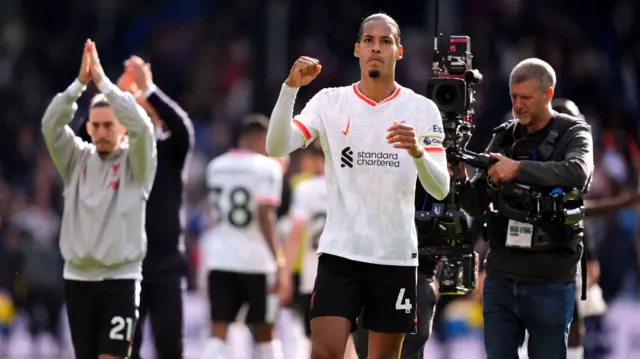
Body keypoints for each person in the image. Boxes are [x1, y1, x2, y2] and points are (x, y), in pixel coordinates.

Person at [266, 12, 450, 359]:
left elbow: (440, 188)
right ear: (356, 50)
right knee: (325, 350)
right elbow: (276, 147)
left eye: (385, 41)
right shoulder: (329, 102)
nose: (376, 48)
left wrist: (418, 152)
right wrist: (290, 89)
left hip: (394, 256)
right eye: (369, 40)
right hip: (340, 252)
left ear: (399, 51)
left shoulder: (422, 110)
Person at [452, 58, 594, 359]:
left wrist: (516, 169)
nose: (518, 105)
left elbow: (578, 171)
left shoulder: (573, 132)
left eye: (526, 97)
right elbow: (476, 204)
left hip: (551, 277)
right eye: (514, 97)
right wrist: (461, 178)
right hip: (502, 273)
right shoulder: (505, 135)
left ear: (548, 94)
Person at [41, 39, 157, 359]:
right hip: (78, 279)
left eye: (110, 126)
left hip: (121, 278)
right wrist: (79, 85)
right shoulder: (75, 159)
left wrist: (102, 81)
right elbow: (51, 125)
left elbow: (143, 128)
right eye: (98, 126)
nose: (104, 132)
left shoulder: (137, 164)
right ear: (88, 128)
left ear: (120, 128)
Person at [111, 55, 194, 359]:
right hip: (125, 262)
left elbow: (182, 126)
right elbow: (87, 132)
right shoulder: (116, 152)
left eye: (146, 113)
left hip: (166, 264)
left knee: (170, 348)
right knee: (125, 349)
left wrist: (148, 90)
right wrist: (117, 95)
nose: (141, 121)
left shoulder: (171, 149)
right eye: (133, 115)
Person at [201, 115, 288, 359]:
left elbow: (214, 214)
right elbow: (265, 214)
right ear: (262, 139)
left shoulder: (215, 165)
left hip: (221, 258)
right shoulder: (268, 167)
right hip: (257, 262)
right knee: (266, 332)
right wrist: (279, 259)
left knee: (218, 330)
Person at [283, 144, 358, 359]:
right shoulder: (351, 188)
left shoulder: (305, 188)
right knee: (347, 339)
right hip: (349, 274)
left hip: (313, 276)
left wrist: (285, 273)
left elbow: (295, 234)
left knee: (316, 342)